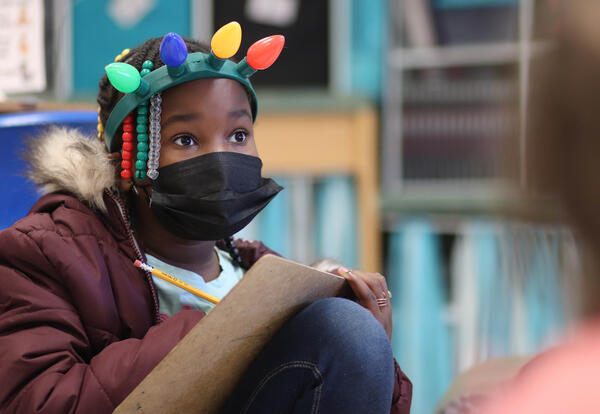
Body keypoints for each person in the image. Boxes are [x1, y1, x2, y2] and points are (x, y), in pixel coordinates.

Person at [0, 24, 412, 413]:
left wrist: (373, 351)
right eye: (186, 139)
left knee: (345, 329)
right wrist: (213, 331)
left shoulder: (259, 271)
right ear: (125, 163)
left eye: (238, 135)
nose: (221, 159)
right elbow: (36, 401)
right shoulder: (42, 255)